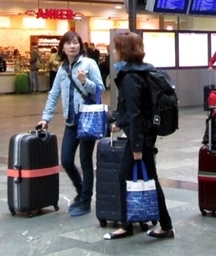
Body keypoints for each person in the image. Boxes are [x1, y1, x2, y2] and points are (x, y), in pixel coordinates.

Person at [104, 31, 174, 240]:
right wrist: (120, 122)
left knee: (129, 177)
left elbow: (135, 114)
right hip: (145, 134)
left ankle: (130, 225)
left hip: (140, 138)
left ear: (123, 51)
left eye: (116, 48)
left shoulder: (131, 77)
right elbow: (136, 110)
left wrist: (136, 147)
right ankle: (161, 224)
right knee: (146, 178)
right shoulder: (142, 71)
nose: (113, 52)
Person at [38, 31, 103, 217]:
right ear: (63, 48)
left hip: (87, 119)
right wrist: (45, 118)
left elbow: (99, 90)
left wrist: (85, 81)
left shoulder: (89, 64)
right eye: (68, 43)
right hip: (71, 121)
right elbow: (53, 94)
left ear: (80, 45)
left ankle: (85, 201)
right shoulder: (62, 69)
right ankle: (82, 190)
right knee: (66, 159)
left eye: (75, 43)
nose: (72, 46)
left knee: (85, 160)